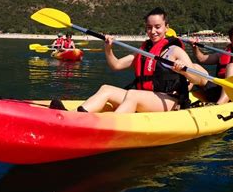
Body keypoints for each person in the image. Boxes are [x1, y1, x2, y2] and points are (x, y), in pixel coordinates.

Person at [49, 7, 209, 113]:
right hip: (145, 97)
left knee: (133, 94)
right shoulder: (143, 51)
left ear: (167, 27)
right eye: (149, 27)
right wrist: (108, 47)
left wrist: (183, 71)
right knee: (106, 89)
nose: (153, 31)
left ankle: (108, 127)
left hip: (169, 100)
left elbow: (198, 78)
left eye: (158, 27)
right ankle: (78, 117)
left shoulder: (175, 51)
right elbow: (116, 65)